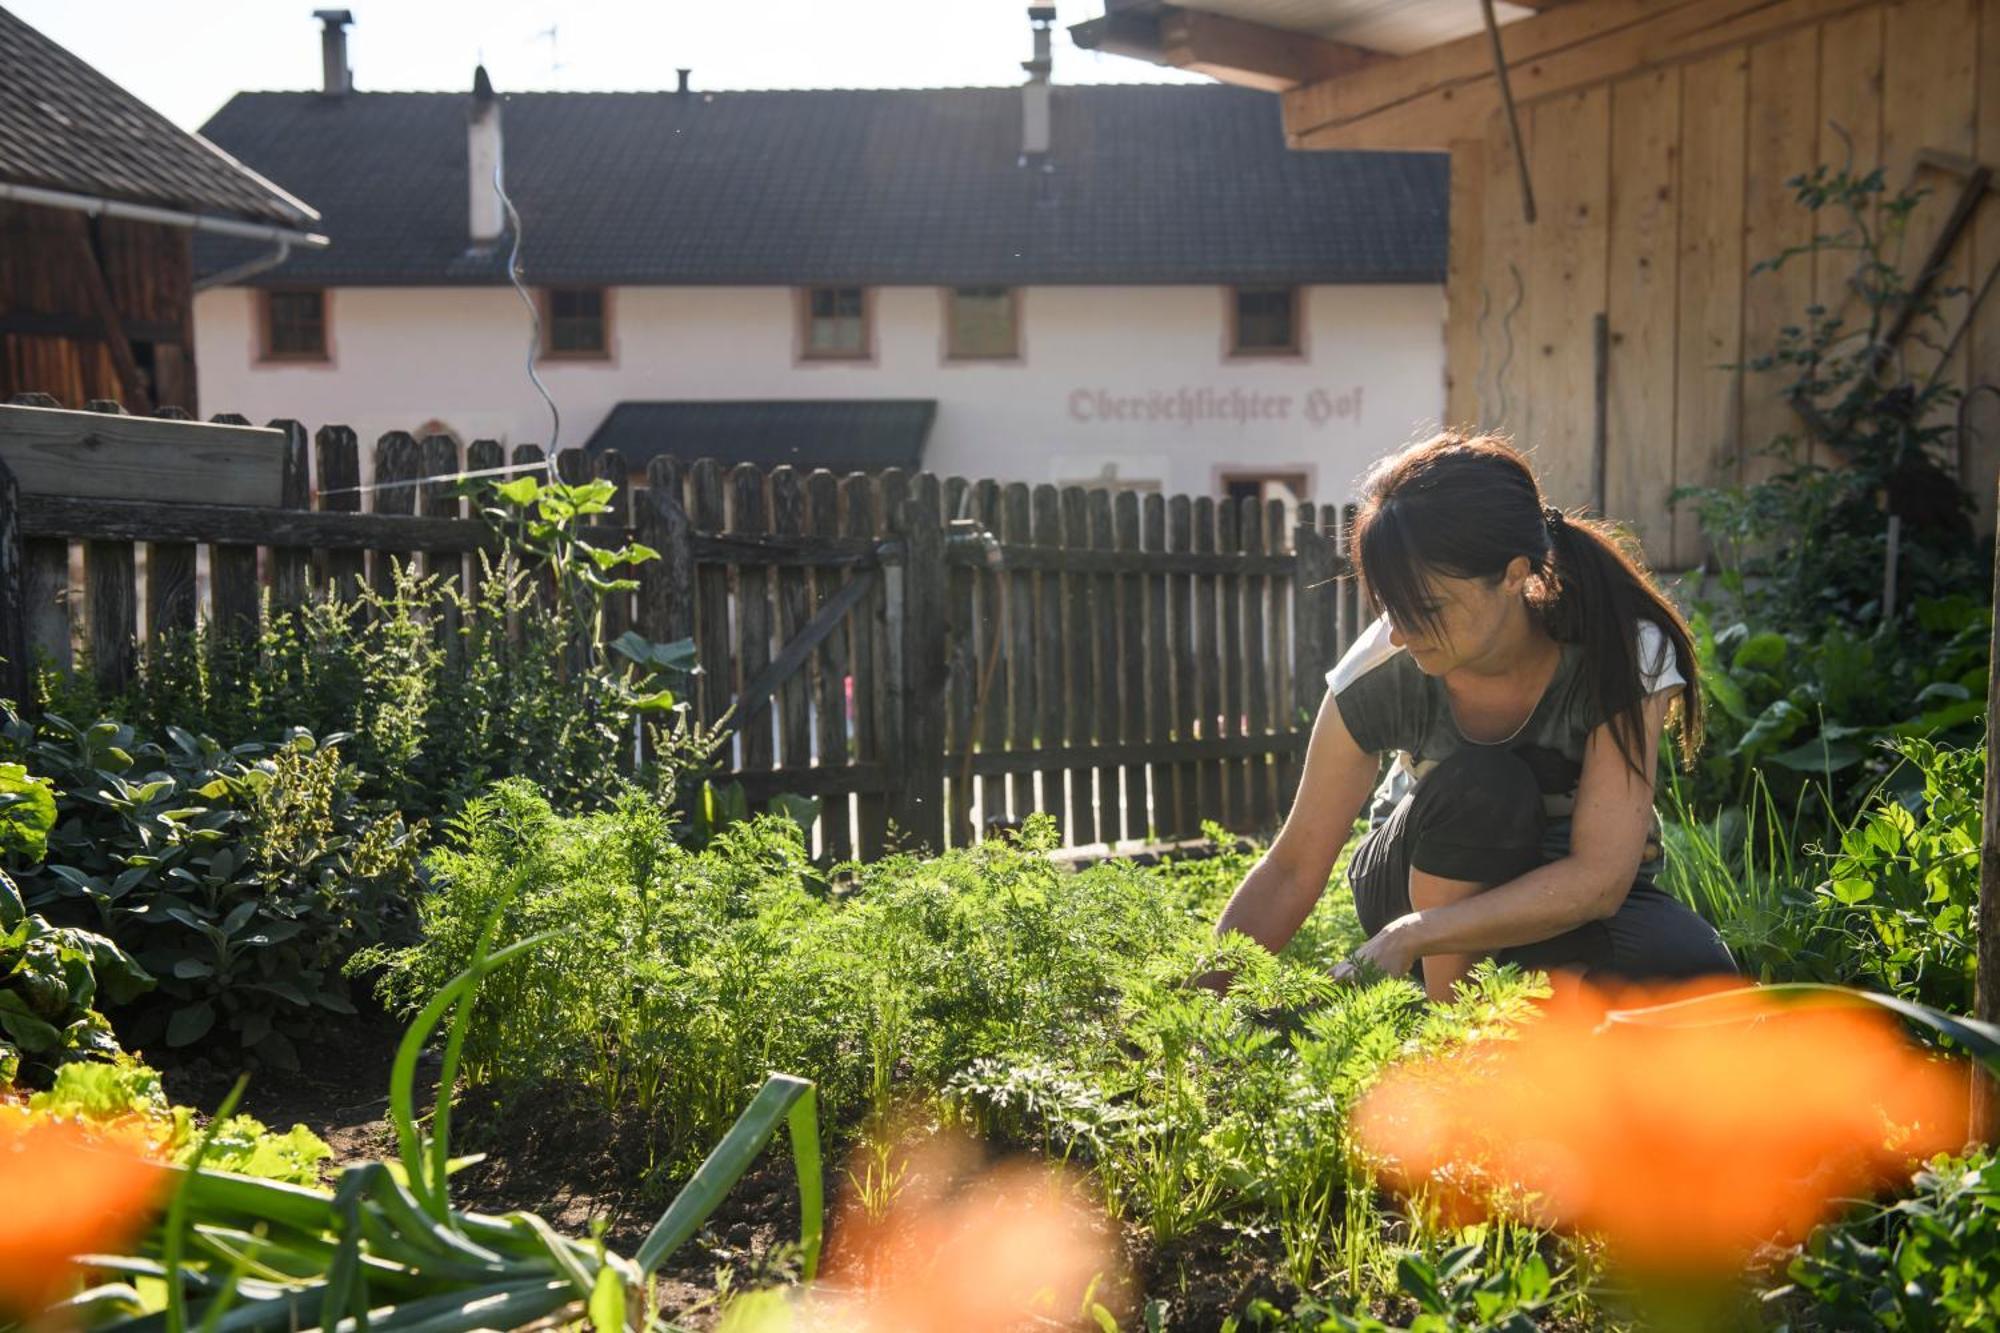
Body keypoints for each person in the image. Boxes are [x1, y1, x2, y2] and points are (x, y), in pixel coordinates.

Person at [1212, 432, 1736, 1001]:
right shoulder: (1378, 673)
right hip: (1414, 881)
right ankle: (1451, 1037)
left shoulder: (1620, 653)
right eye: (1390, 604)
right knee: (1485, 787)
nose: (1399, 631)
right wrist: (1190, 1010)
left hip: (1556, 893)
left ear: (1513, 575)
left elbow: (1599, 881)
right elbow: (1292, 869)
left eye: (1427, 607)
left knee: (1696, 974)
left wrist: (1414, 937)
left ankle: (1531, 1002)